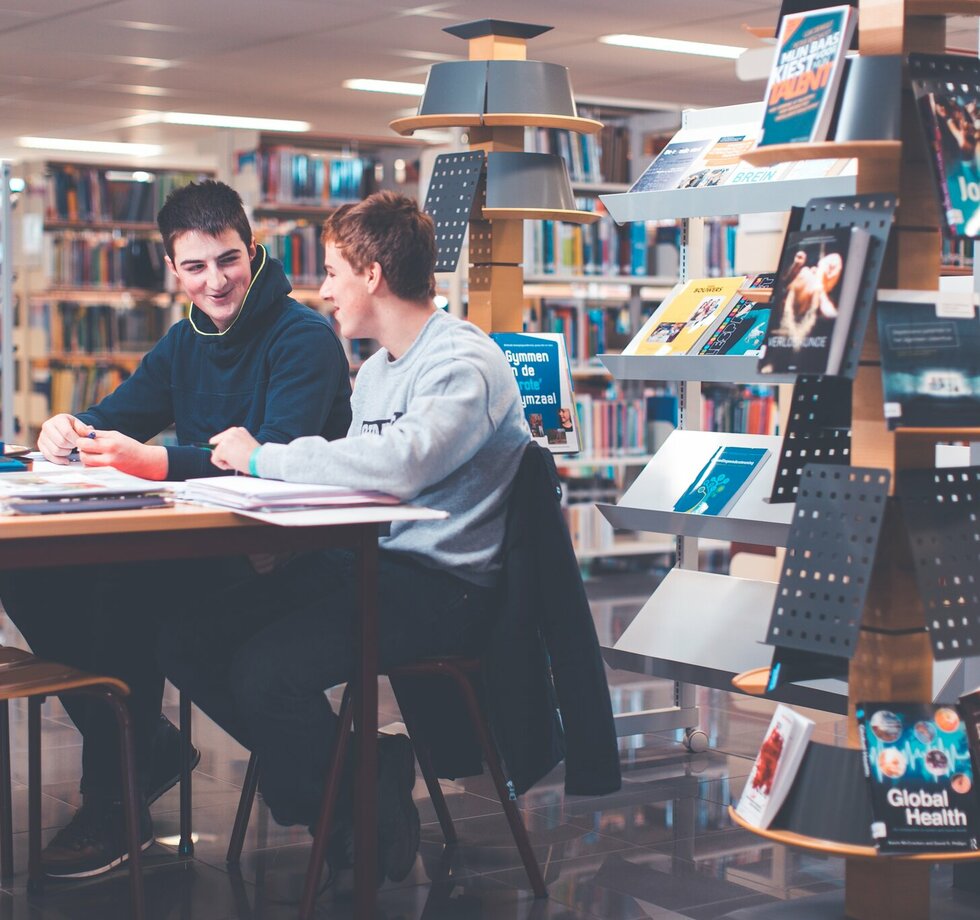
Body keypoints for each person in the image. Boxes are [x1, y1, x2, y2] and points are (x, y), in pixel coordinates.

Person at [158, 191, 529, 883]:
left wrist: (264, 457)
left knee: (267, 676)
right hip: (371, 559)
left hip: (443, 585)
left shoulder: (462, 364)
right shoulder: (382, 370)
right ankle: (366, 775)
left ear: (373, 274)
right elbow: (356, 480)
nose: (322, 289)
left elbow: (401, 466)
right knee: (186, 637)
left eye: (332, 272)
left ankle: (347, 800)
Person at [0, 179, 352, 879]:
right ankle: (139, 745)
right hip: (213, 544)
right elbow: (118, 413)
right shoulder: (186, 340)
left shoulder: (304, 338)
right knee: (25, 571)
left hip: (290, 555)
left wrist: (157, 462)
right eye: (195, 267)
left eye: (227, 259)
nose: (215, 282)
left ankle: (117, 793)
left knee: (122, 584)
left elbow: (274, 462)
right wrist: (68, 428)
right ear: (172, 269)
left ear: (253, 249)